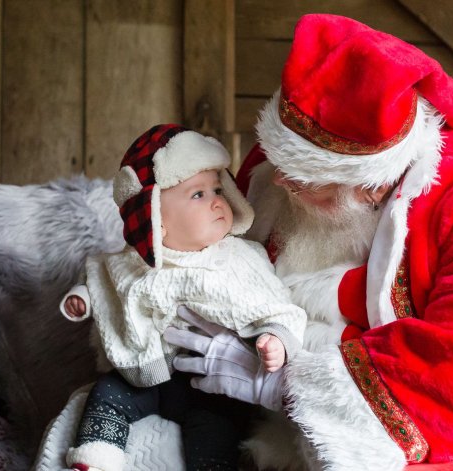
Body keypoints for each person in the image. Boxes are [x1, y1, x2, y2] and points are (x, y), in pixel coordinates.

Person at [164, 14, 453, 470]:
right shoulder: (274, 173)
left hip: (448, 434)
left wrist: (283, 384)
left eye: (306, 177)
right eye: (277, 159)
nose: (281, 179)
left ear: (369, 184)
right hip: (248, 409)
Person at [58, 124, 306, 471]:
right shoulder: (135, 262)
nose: (217, 200)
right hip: (145, 376)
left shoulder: (238, 259)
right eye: (197, 194)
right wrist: (82, 299)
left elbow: (276, 304)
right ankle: (97, 455)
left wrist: (275, 337)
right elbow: (105, 281)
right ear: (156, 216)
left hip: (213, 386)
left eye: (218, 188)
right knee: (108, 394)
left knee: (216, 432)